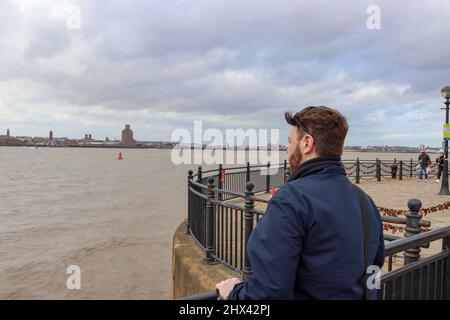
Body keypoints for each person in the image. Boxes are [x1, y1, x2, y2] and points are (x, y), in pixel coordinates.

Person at [215, 106, 385, 300]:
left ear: (306, 142)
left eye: (289, 142)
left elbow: (269, 293)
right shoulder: (365, 201)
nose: (287, 150)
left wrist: (234, 292)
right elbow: (374, 272)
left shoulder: (290, 199)